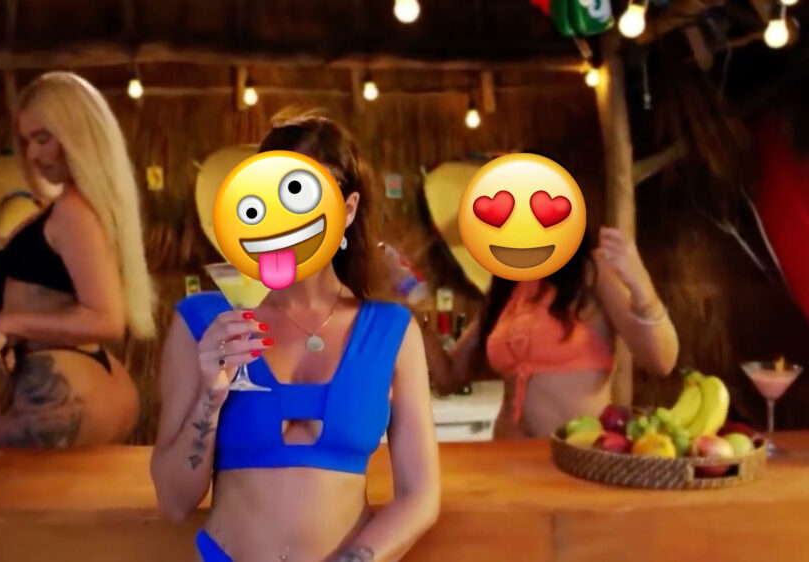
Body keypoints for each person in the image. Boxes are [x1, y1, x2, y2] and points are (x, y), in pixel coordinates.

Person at [151, 108, 440, 561]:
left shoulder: (390, 331)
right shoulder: (203, 323)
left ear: (347, 210)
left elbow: (421, 495)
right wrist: (211, 393)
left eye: (302, 195)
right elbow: (174, 501)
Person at [0, 71, 157, 448]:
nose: (33, 155)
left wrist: (10, 322)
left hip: (64, 393)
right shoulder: (71, 208)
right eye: (27, 142)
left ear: (77, 134)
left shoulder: (74, 212)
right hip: (84, 384)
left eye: (43, 139)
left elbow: (107, 320)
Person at [446, 225, 680, 439]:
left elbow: (662, 361)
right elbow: (449, 377)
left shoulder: (593, 271)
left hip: (576, 458)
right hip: (506, 456)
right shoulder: (506, 286)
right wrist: (419, 316)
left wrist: (641, 286)